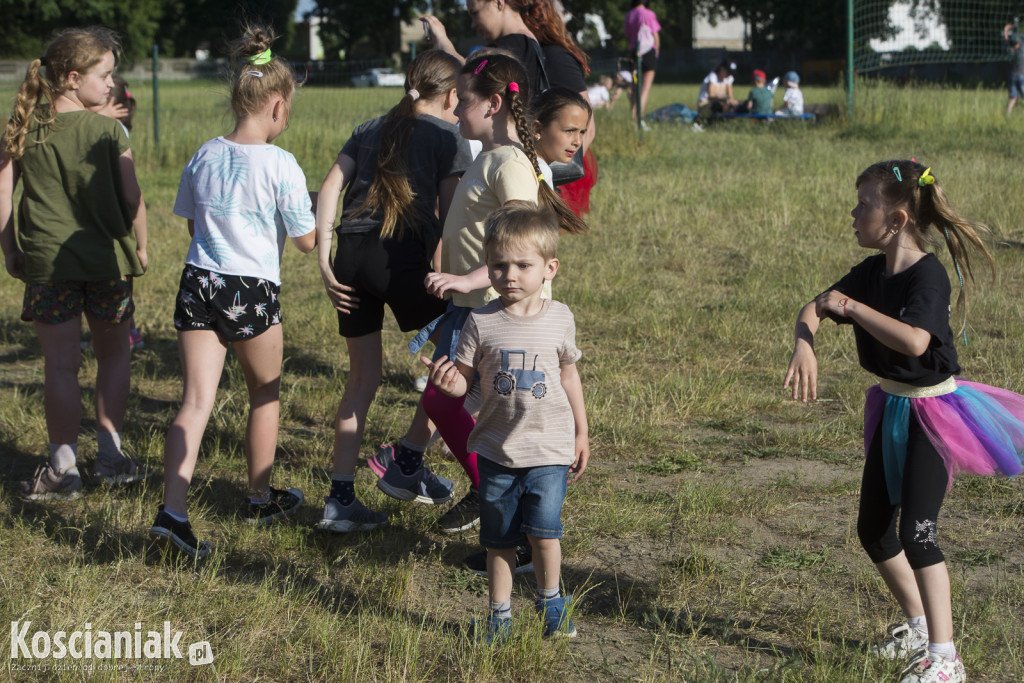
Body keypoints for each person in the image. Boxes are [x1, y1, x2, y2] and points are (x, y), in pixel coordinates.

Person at [784, 160, 1024, 683]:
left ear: (894, 220)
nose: (852, 213)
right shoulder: (871, 272)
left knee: (919, 534)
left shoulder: (928, 275)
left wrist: (849, 307)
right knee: (873, 529)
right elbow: (814, 307)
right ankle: (918, 627)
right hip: (892, 404)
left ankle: (945, 657)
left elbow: (916, 340)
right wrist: (806, 344)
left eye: (863, 205)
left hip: (935, 412)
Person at [375, 52, 586, 553]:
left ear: (492, 104)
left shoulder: (509, 161)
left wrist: (462, 277)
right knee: (452, 399)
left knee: (445, 399)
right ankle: (504, 512)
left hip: (495, 307)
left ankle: (497, 500)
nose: (456, 106)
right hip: (475, 306)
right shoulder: (488, 158)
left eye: (464, 99)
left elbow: (520, 239)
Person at [148, 25, 316, 559]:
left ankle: (172, 512)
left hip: (199, 281)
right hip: (252, 288)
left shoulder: (204, 154)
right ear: (276, 105)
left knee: (195, 402)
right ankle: (259, 496)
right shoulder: (281, 164)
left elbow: (193, 224)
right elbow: (309, 242)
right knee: (263, 394)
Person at [313, 49, 473, 532]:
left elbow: (328, 190)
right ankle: (409, 461)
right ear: (451, 96)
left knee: (361, 380)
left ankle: (340, 500)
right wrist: (453, 283)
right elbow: (449, 221)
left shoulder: (367, 128)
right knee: (460, 349)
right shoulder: (451, 136)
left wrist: (323, 259)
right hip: (401, 258)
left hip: (350, 255)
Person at [421, 201, 589, 643]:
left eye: (522, 265)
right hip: (496, 450)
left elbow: (569, 377)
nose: (509, 275)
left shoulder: (561, 318)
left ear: (549, 268)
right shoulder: (480, 322)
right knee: (497, 541)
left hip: (550, 450)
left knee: (544, 533)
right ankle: (499, 618)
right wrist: (450, 386)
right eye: (498, 265)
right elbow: (468, 387)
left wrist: (581, 431)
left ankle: (552, 604)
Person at [1, 27, 149, 501]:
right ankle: (111, 457)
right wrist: (140, 248)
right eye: (104, 75)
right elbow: (133, 198)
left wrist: (9, 248)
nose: (111, 84)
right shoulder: (109, 130)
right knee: (114, 355)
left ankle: (63, 469)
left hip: (47, 265)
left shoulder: (23, 127)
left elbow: (3, 194)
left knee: (60, 368)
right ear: (71, 77)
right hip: (108, 262)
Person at [88, 76, 144, 351]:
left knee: (119, 278)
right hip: (113, 214)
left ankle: (127, 331)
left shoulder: (113, 128)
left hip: (112, 215)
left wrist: (102, 115)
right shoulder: (110, 125)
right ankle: (126, 330)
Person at [532, 87, 592, 194]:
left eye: (582, 132)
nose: (577, 142)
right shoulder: (539, 171)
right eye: (569, 131)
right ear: (538, 129)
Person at [624, 0, 661, 122]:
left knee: (635, 86)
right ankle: (638, 118)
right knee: (645, 88)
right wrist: (656, 52)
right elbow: (655, 35)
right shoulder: (649, 14)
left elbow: (628, 35)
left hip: (634, 55)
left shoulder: (629, 15)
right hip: (648, 54)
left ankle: (633, 115)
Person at [1004, 23, 1024, 116]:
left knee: (1013, 98)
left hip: (1012, 76)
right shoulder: (1022, 49)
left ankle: (1007, 115)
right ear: (1019, 42)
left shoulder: (1010, 51)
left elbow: (1006, 40)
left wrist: (1006, 30)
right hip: (1021, 76)